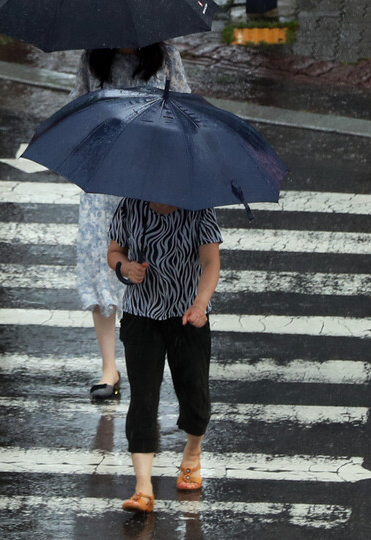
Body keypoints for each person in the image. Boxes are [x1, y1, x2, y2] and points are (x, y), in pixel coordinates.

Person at [73, 43, 191, 399]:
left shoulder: (166, 56)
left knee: (150, 263)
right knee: (102, 263)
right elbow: (76, 111)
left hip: (153, 172)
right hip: (105, 176)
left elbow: (185, 107)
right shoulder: (92, 60)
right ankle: (109, 367)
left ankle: (147, 360)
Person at [106, 198, 222, 513]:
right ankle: (143, 487)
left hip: (188, 316)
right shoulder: (131, 206)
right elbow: (114, 252)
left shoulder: (198, 207)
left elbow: (211, 262)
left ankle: (192, 455)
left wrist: (200, 304)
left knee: (195, 394)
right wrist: (125, 268)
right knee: (143, 400)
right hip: (141, 315)